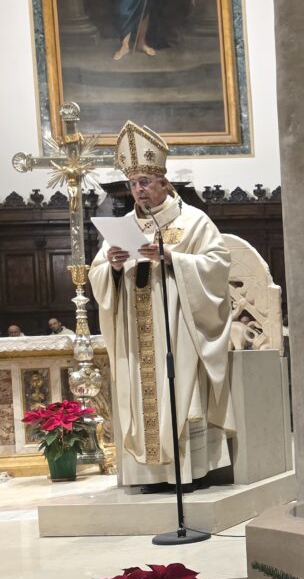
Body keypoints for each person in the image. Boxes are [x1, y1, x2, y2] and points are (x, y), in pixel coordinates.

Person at [89, 121, 234, 492]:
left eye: (145, 182)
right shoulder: (122, 225)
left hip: (177, 329)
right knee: (143, 397)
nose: (139, 190)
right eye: (133, 183)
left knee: (179, 393)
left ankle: (184, 473)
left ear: (164, 183)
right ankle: (151, 476)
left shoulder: (193, 221)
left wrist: (172, 257)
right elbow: (98, 272)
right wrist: (113, 266)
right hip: (136, 333)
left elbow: (218, 264)